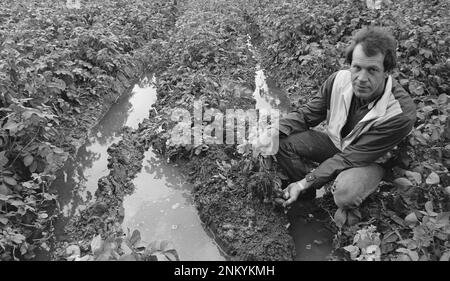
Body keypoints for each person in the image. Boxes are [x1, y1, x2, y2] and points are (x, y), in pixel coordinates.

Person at [255, 26, 416, 226]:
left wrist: (307, 180)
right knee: (281, 140)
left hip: (369, 160)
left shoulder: (399, 114)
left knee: (344, 193)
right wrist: (272, 131)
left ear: (387, 72)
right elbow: (306, 115)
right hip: (336, 144)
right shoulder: (338, 81)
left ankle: (362, 183)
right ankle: (306, 196)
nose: (361, 78)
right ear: (350, 65)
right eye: (357, 67)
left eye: (372, 70)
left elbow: (351, 157)